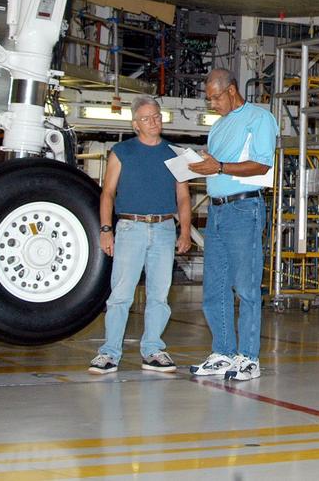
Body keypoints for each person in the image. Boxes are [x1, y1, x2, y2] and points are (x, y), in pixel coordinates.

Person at [89, 95, 192, 374]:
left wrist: (184, 230)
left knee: (159, 294)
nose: (153, 122)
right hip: (130, 228)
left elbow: (183, 196)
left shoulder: (175, 153)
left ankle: (153, 350)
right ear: (136, 124)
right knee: (121, 294)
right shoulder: (121, 152)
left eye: (157, 116)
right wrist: (106, 229)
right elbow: (107, 193)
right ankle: (109, 353)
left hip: (163, 229)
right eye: (147, 118)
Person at [187, 69, 278, 381]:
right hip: (218, 211)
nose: (212, 104)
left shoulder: (259, 119)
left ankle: (249, 357)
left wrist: (220, 166)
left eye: (215, 97)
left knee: (246, 284)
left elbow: (263, 163)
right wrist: (202, 165)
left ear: (232, 90)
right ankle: (223, 352)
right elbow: (216, 168)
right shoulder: (218, 127)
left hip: (244, 208)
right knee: (214, 285)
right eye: (209, 98)